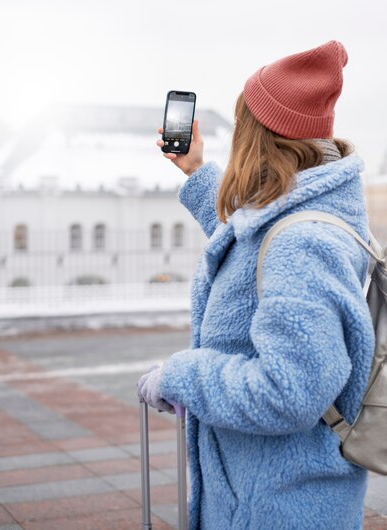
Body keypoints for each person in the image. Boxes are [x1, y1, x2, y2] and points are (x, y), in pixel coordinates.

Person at [137, 41, 374, 530]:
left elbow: (288, 392)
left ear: (259, 135)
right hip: (277, 498)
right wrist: (198, 174)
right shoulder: (310, 214)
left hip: (276, 508)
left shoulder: (304, 244)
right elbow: (254, 250)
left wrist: (180, 377)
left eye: (243, 122)